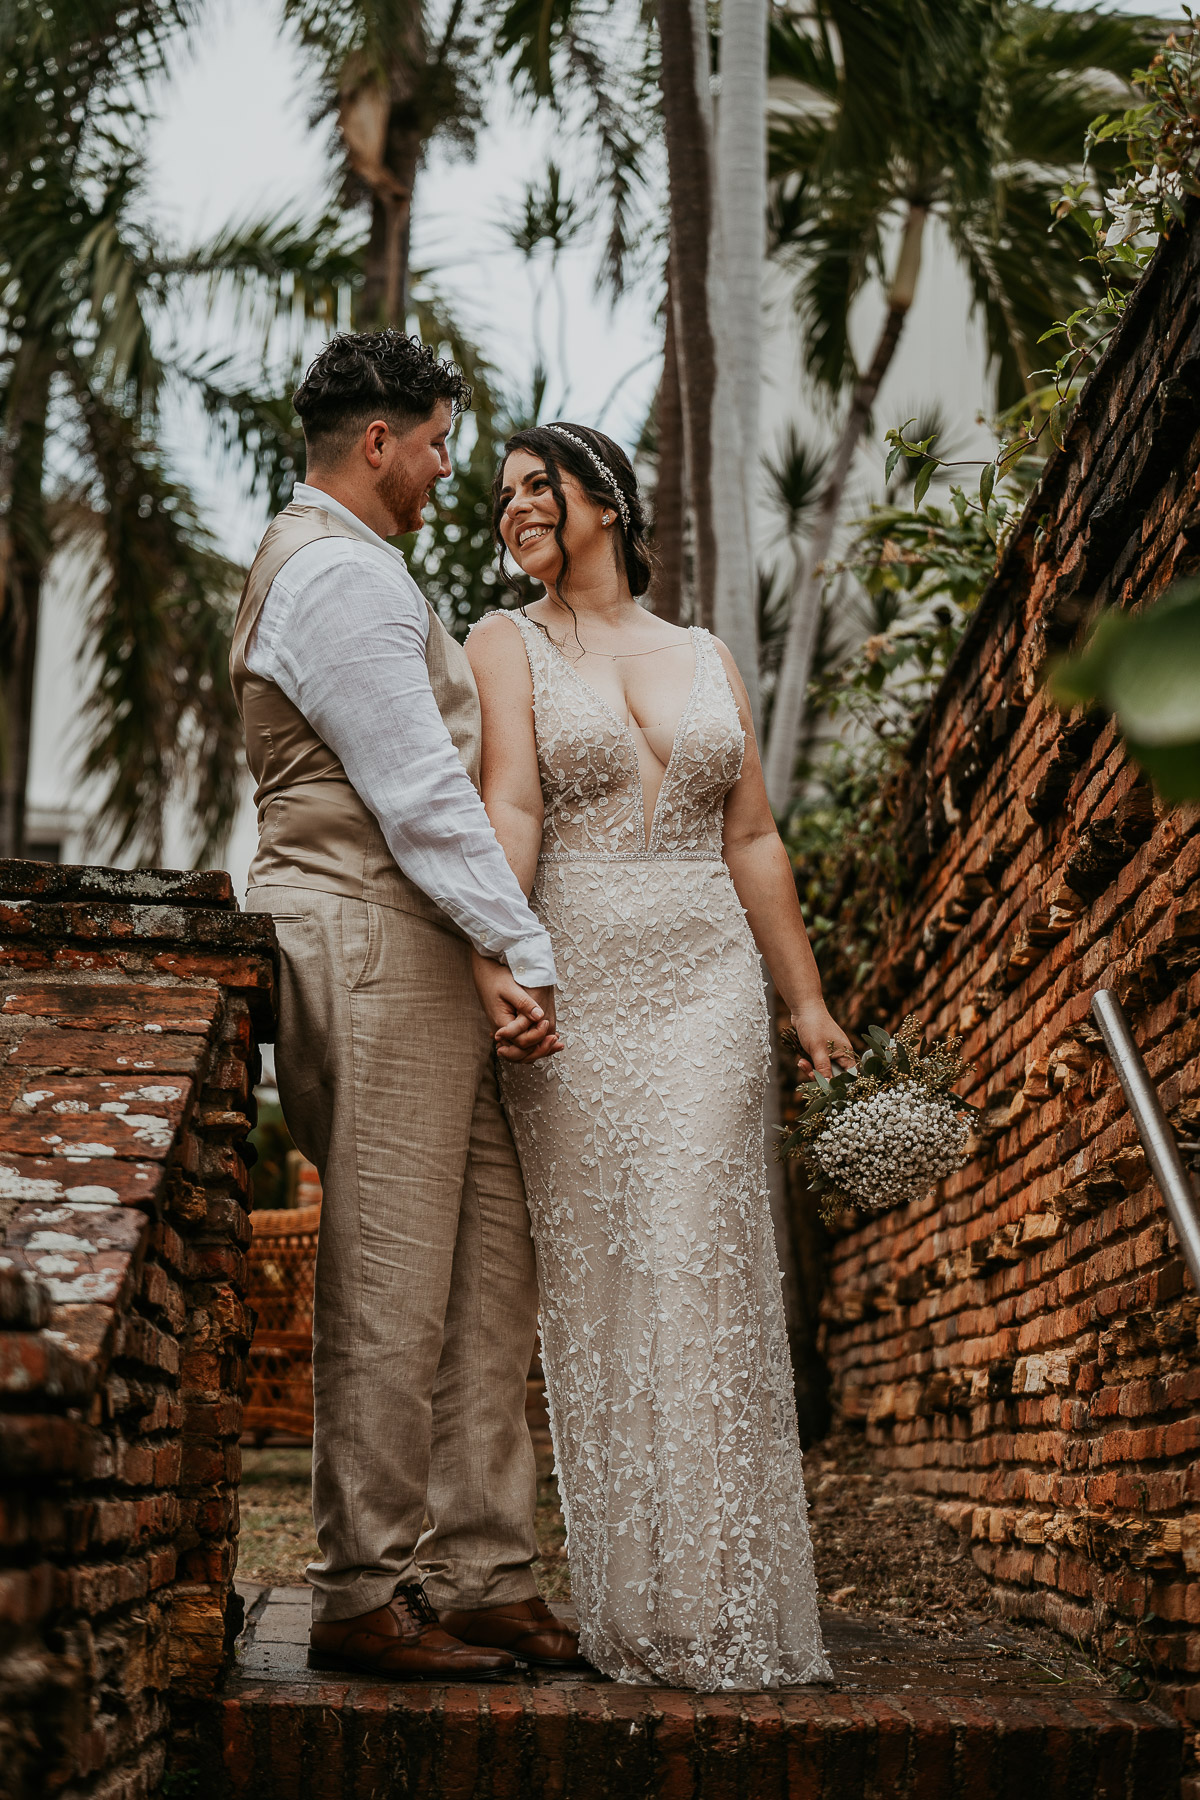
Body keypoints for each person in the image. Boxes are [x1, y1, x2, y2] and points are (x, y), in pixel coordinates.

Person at [465, 422, 854, 1691]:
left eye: (538, 486)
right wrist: (504, 952)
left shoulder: (705, 653)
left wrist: (805, 1006)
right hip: (579, 987)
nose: (515, 508)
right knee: (609, 1283)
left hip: (707, 985)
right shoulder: (502, 641)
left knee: (701, 1258)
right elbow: (510, 804)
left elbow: (751, 837)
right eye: (502, 495)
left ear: (607, 500)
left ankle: (727, 1595)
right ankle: (640, 1601)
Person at [231, 331, 581, 1680]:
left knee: (489, 1265)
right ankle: (363, 1587)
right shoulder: (333, 575)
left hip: (427, 947)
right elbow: (419, 792)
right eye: (438, 443)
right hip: (371, 938)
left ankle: (483, 1569)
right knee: (388, 1271)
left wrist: (490, 950)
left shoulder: (362, 569)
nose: (448, 469)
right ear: (378, 442)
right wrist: (524, 947)